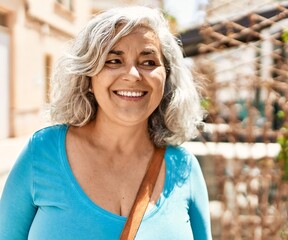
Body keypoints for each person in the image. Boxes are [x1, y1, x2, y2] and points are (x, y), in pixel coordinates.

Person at [0, 6, 212, 240]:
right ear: (88, 76)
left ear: (167, 79)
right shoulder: (41, 152)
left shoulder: (185, 169)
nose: (132, 74)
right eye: (113, 60)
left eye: (149, 62)